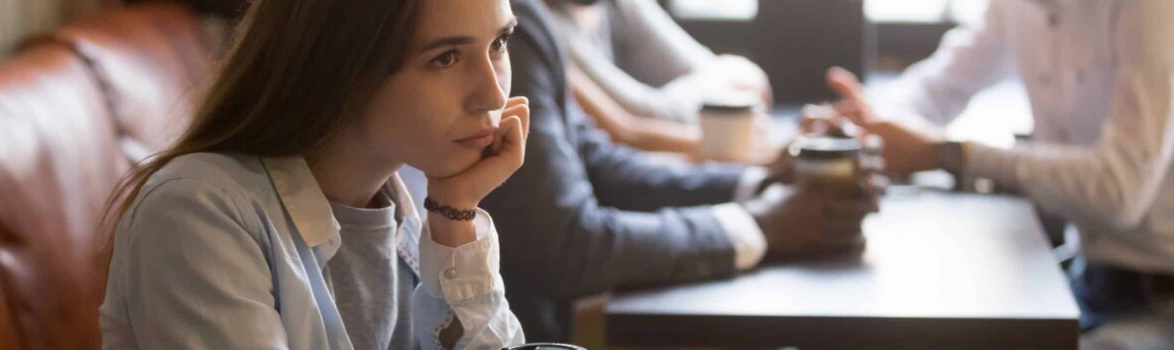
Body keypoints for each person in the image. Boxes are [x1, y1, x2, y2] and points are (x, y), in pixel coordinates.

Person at [98, 0, 529, 348]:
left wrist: (455, 213)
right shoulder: (195, 215)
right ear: (340, 67)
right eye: (446, 58)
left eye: (500, 42)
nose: (492, 93)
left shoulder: (413, 192)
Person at [480, 0, 882, 341]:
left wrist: (763, 182)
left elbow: (601, 164)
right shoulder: (509, 22)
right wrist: (762, 225)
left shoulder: (529, 20)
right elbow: (569, 246)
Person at [820, 0, 1174, 348]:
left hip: (1158, 298)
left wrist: (952, 154)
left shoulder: (1150, 9)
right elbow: (939, 86)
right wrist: (870, 124)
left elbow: (1121, 192)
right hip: (1085, 280)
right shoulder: (1015, 7)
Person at [545, 0, 775, 157]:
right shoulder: (535, 22)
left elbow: (746, 78)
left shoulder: (614, 6)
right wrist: (727, 128)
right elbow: (627, 129)